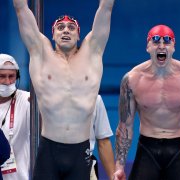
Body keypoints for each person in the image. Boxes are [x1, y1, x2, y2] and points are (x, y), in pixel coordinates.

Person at [12, 0, 115, 179]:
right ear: (52, 35)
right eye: (60, 27)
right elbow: (21, 8)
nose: (66, 30)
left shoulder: (92, 53)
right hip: (48, 151)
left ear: (78, 35)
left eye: (71, 27)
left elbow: (106, 7)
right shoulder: (40, 53)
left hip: (80, 151)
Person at [113, 24, 180, 180]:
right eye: (156, 41)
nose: (162, 46)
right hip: (147, 148)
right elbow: (125, 125)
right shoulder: (132, 79)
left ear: (173, 47)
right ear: (148, 47)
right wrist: (119, 167)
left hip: (179, 149)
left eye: (167, 41)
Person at [0, 54, 30, 180]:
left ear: (17, 77)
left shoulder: (27, 100)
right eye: (2, 76)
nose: (7, 82)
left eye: (11, 76)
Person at [89, 95, 115, 180]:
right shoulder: (47, 98)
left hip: (86, 169)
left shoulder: (95, 98)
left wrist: (113, 177)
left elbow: (103, 142)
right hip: (51, 168)